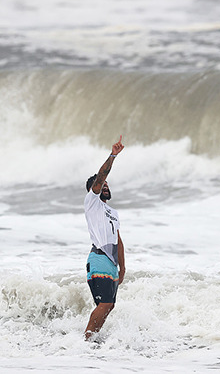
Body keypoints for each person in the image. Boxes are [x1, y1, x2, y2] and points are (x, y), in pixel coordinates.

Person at [84, 135, 125, 340]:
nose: (106, 186)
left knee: (109, 305)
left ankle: (92, 341)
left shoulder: (113, 213)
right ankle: (85, 340)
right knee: (105, 304)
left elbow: (118, 240)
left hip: (110, 263)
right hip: (98, 258)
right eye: (103, 184)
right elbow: (100, 176)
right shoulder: (92, 203)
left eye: (108, 184)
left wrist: (123, 267)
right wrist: (113, 156)